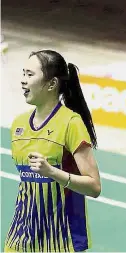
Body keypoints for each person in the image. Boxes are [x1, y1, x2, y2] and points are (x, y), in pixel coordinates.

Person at [4, 50, 101, 252]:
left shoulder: (71, 123)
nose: (23, 80)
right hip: (21, 236)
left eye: (30, 75)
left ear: (51, 84)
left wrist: (52, 172)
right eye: (23, 73)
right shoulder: (18, 125)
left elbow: (94, 187)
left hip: (60, 240)